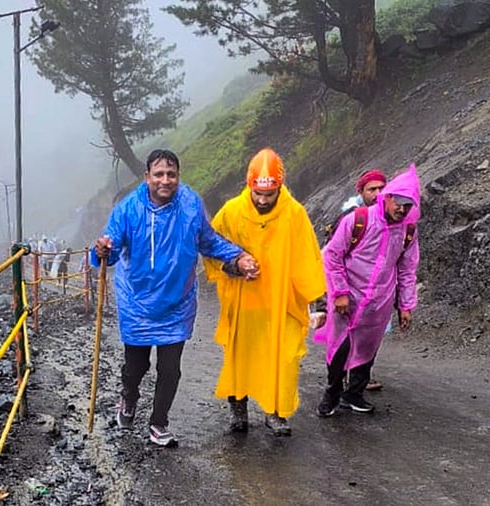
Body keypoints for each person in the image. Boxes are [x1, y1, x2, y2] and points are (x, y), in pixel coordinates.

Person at [91, 149, 258, 448]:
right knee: (135, 368)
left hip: (177, 304)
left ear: (178, 177)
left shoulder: (191, 204)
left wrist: (239, 256)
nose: (165, 180)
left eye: (171, 174)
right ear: (147, 178)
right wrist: (102, 249)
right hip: (137, 304)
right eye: (158, 174)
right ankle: (128, 398)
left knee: (170, 369)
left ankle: (159, 423)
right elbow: (111, 249)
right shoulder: (128, 209)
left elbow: (208, 240)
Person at [203, 148, 326, 436]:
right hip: (244, 301)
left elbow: (307, 258)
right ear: (249, 185)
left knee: (281, 359)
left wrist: (317, 303)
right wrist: (234, 265)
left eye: (268, 194)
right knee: (239, 357)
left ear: (279, 187)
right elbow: (210, 247)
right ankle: (238, 411)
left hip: (280, 303)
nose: (261, 199)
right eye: (257, 192)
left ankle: (275, 412)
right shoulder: (232, 211)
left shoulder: (294, 213)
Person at [314, 164, 421, 417]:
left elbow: (407, 269)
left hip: (379, 301)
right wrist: (339, 293)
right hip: (347, 297)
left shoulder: (408, 230)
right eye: (400, 204)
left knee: (368, 347)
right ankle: (332, 394)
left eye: (408, 206)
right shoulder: (358, 220)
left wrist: (405, 306)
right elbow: (332, 256)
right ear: (389, 198)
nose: (403, 211)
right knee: (340, 346)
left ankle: (355, 394)